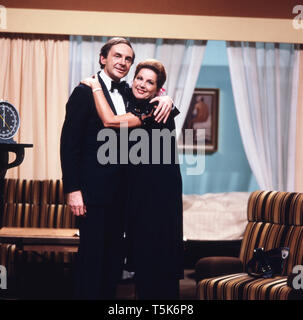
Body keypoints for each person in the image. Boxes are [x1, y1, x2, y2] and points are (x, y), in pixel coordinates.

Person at [60, 38, 174, 300]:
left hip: (123, 195)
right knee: (91, 262)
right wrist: (73, 189)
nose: (123, 62)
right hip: (92, 195)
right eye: (117, 56)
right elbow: (69, 145)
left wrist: (166, 97)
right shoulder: (84, 92)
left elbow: (149, 99)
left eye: (128, 59)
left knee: (113, 266)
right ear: (103, 58)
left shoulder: (127, 91)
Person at [81, 59, 184, 300]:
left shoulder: (155, 108)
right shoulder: (132, 99)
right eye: (139, 78)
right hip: (139, 194)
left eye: (150, 82)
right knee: (143, 261)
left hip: (159, 197)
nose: (142, 84)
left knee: (157, 263)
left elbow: (110, 121)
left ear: (158, 89)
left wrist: (94, 86)